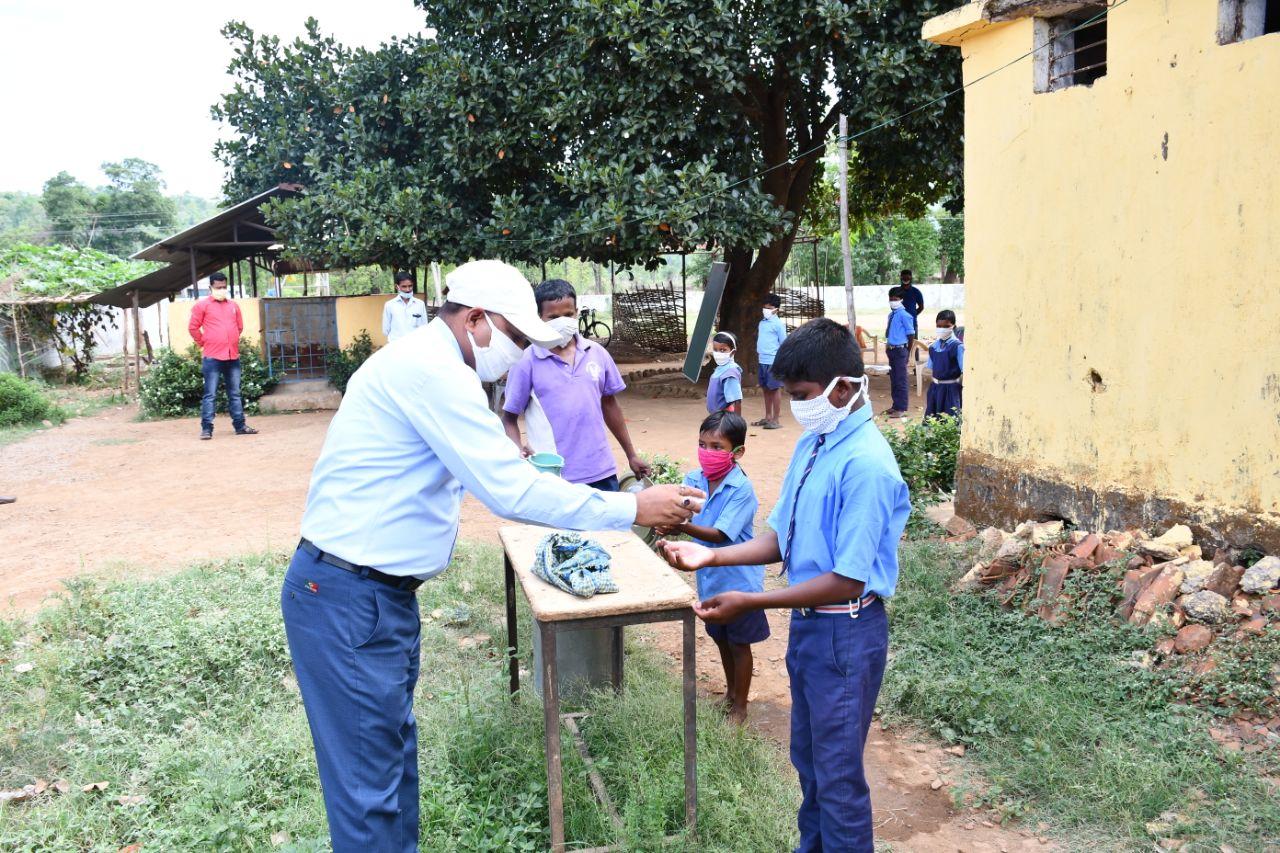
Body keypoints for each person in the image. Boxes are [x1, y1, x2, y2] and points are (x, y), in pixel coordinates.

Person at [282, 260, 703, 853]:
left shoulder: (429, 365)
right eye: (516, 337)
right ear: (476, 318)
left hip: (374, 597)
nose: (520, 352)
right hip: (349, 597)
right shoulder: (433, 373)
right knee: (367, 788)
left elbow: (498, 473)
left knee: (390, 763)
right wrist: (632, 509)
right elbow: (509, 490)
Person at [658, 318, 910, 852]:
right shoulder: (816, 444)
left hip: (845, 632)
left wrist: (752, 599)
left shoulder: (866, 466)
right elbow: (781, 538)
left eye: (801, 395)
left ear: (842, 388)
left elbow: (846, 580)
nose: (794, 406)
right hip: (811, 630)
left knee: (838, 780)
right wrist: (712, 553)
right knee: (811, 764)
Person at [659, 410, 766, 725]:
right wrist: (668, 524)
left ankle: (741, 706)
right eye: (702, 444)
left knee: (739, 643)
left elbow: (720, 534)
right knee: (720, 638)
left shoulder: (741, 490)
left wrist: (681, 527)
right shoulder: (694, 480)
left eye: (717, 446)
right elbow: (681, 510)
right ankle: (731, 693)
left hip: (739, 583)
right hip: (710, 580)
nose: (708, 452)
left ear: (738, 452)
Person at [501, 279, 651, 490]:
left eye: (568, 315)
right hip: (553, 476)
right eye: (553, 317)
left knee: (605, 523)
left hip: (601, 470)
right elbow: (509, 418)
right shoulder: (526, 362)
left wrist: (631, 454)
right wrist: (518, 452)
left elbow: (610, 405)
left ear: (576, 312)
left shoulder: (597, 353)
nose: (562, 321)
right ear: (539, 318)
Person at [188, 272, 257, 440]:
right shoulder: (202, 306)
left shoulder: (233, 306)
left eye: (224, 287)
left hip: (232, 356)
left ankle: (240, 426)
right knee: (210, 394)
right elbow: (193, 328)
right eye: (218, 287)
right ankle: (206, 429)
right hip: (212, 357)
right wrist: (204, 342)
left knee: (235, 393)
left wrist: (230, 340)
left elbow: (239, 327)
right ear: (210, 287)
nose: (222, 290)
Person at [755, 293, 787, 430]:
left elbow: (784, 343)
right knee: (765, 388)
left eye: (769, 307)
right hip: (762, 360)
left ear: (776, 309)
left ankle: (775, 419)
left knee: (775, 389)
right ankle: (768, 416)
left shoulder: (778, 324)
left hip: (773, 361)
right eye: (765, 307)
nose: (766, 309)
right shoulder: (762, 323)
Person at [924, 309, 964, 419]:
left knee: (950, 420)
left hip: (952, 390)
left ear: (953, 327)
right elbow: (930, 369)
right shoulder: (933, 347)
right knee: (933, 420)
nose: (942, 329)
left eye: (946, 326)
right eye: (939, 326)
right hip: (935, 389)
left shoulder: (958, 346)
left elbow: (964, 371)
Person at [884, 286, 914, 418]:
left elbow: (911, 335)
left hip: (901, 350)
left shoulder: (905, 315)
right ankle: (895, 405)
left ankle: (901, 408)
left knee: (901, 380)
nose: (892, 301)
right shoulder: (891, 315)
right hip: (891, 350)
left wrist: (907, 352)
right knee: (894, 379)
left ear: (901, 300)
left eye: (895, 299)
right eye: (890, 299)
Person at [382, 271, 428, 343]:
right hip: (396, 346)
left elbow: (424, 327)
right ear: (397, 287)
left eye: (410, 286)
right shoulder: (389, 305)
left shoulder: (420, 304)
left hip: (415, 346)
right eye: (404, 286)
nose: (408, 289)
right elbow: (386, 330)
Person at [706, 331, 743, 415]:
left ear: (732, 352)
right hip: (717, 416)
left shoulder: (730, 373)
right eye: (715, 350)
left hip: (725, 416)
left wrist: (736, 422)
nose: (718, 353)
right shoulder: (720, 368)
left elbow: (737, 400)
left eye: (723, 350)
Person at [899, 270, 925, 361]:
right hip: (898, 324)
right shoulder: (896, 291)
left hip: (912, 324)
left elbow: (921, 307)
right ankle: (897, 366)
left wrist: (912, 316)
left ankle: (916, 367)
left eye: (908, 277)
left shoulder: (916, 292)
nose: (906, 279)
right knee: (898, 345)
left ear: (911, 278)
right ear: (900, 277)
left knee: (914, 344)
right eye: (904, 277)